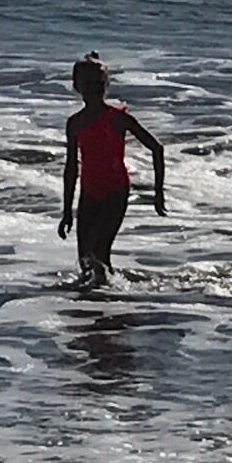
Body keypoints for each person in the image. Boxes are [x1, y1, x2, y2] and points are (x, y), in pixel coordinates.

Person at [59, 53, 165, 287]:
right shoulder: (75, 123)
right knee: (85, 260)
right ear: (77, 87)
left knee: (99, 253)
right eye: (87, 85)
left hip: (115, 192)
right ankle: (93, 305)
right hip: (89, 193)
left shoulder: (118, 119)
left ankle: (112, 297)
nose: (93, 90)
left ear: (106, 86)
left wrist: (158, 194)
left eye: (98, 84)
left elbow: (157, 148)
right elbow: (71, 168)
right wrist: (67, 210)